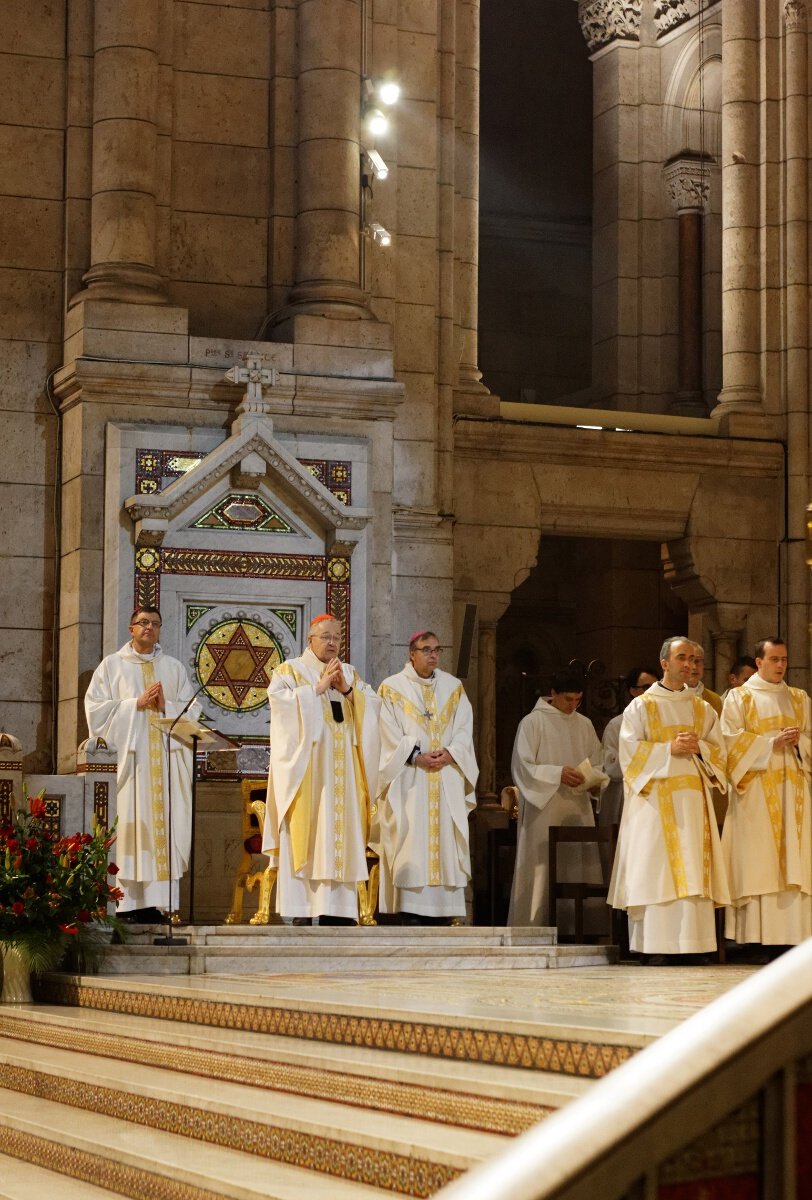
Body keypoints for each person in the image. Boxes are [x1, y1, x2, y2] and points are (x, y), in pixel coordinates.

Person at [608, 636, 730, 960]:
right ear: (665, 663)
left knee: (693, 868)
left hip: (692, 804)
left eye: (693, 659)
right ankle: (655, 947)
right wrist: (668, 750)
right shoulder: (641, 706)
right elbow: (628, 754)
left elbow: (720, 754)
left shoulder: (701, 708)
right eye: (682, 658)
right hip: (654, 805)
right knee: (656, 870)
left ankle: (695, 945)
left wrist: (700, 748)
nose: (689, 664)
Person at [262, 614, 380, 925]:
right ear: (310, 640)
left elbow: (375, 710)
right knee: (312, 835)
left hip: (344, 775)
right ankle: (303, 909)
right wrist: (317, 688)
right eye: (325, 637)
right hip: (309, 775)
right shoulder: (290, 671)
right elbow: (279, 705)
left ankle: (339, 911)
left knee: (341, 835)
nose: (331, 643)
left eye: (337, 638)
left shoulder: (349, 673)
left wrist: (348, 691)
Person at [84, 607, 199, 922]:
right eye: (143, 623)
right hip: (131, 767)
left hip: (165, 766)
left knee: (162, 830)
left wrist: (168, 706)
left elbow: (193, 711)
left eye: (155, 624)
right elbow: (95, 710)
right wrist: (134, 704)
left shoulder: (173, 669)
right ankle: (126, 904)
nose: (149, 628)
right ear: (131, 629)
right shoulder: (112, 667)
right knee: (132, 833)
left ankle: (157, 905)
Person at [376, 630, 478, 924]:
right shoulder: (392, 687)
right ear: (412, 654)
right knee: (410, 836)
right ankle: (410, 908)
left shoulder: (453, 687)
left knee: (445, 838)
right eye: (426, 650)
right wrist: (414, 755)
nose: (433, 655)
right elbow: (385, 732)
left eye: (437, 649)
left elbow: (463, 728)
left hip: (445, 775)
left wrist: (451, 752)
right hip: (410, 777)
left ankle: (445, 911)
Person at [720, 638, 811, 950]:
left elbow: (811, 741)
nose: (781, 665)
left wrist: (800, 742)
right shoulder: (739, 698)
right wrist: (769, 743)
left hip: (794, 790)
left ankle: (795, 937)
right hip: (757, 791)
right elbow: (728, 745)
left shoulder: (799, 698)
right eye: (774, 659)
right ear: (758, 662)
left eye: (784, 659)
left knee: (794, 859)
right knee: (761, 862)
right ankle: (757, 940)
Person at [508, 668, 607, 931]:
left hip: (577, 806)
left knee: (577, 864)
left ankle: (580, 926)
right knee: (543, 867)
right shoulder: (533, 722)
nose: (572, 706)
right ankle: (536, 924)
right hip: (546, 807)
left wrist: (593, 780)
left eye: (578, 700)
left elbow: (596, 762)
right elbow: (522, 767)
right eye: (567, 700)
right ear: (552, 695)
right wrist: (557, 773)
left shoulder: (584, 724)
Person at [599, 666, 660, 879]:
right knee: (622, 860)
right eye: (645, 687)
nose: (651, 691)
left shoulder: (662, 723)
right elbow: (612, 766)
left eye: (655, 686)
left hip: (656, 797)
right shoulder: (617, 725)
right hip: (623, 798)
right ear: (633, 691)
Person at [687, 644, 723, 716]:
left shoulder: (715, 700)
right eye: (690, 661)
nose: (694, 667)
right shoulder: (669, 696)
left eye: (697, 661)